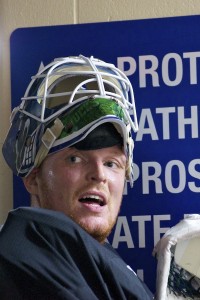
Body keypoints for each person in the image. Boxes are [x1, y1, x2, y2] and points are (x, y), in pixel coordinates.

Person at [0, 55, 154, 299]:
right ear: (32, 176)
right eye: (75, 158)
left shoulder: (93, 264)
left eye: (111, 163)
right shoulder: (21, 257)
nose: (99, 175)